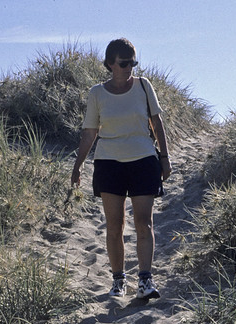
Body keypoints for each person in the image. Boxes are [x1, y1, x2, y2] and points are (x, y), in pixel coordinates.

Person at [71, 38, 172, 299]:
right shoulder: (97, 93)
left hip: (143, 160)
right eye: (124, 63)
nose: (130, 68)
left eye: (133, 63)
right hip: (109, 163)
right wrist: (78, 165)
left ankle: (145, 281)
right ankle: (118, 281)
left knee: (143, 224)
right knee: (114, 226)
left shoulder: (143, 86)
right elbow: (90, 132)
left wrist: (165, 156)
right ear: (109, 64)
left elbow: (156, 122)